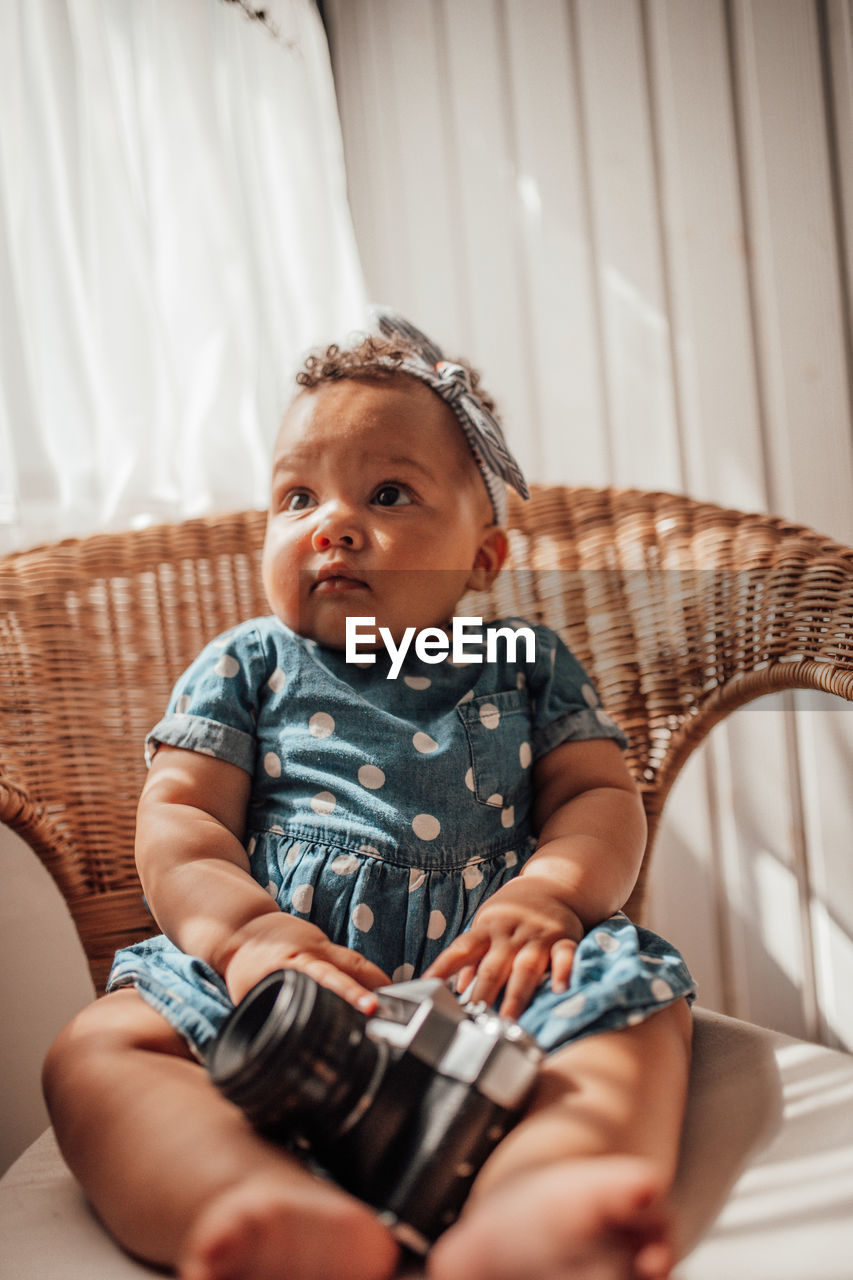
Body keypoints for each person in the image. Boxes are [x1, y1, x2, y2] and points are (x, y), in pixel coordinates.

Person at [43, 311, 695, 1280]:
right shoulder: (251, 664)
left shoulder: (515, 662)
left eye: (388, 492)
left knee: (635, 1002)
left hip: (489, 987)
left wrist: (552, 896)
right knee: (99, 1050)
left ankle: (535, 1199)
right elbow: (180, 817)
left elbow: (598, 790)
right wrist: (243, 933)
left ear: (483, 559)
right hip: (277, 992)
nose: (331, 522)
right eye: (296, 495)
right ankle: (248, 1197)